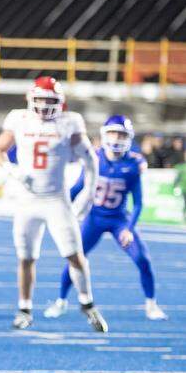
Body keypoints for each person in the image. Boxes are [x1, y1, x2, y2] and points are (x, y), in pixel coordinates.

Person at [0, 76, 106, 331]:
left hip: (56, 199)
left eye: (49, 100)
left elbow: (91, 161)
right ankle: (24, 308)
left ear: (60, 102)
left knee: (75, 256)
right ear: (30, 99)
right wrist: (13, 170)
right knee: (26, 257)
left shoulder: (70, 123)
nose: (43, 105)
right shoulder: (18, 119)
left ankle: (87, 303)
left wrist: (88, 193)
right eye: (39, 99)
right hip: (27, 200)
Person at [44, 116, 166, 321]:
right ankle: (61, 301)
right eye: (113, 133)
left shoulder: (134, 164)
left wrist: (129, 228)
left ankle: (151, 305)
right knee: (74, 259)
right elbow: (77, 188)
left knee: (143, 259)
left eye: (121, 134)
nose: (117, 138)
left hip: (119, 220)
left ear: (129, 137)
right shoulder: (94, 157)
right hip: (94, 218)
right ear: (104, 134)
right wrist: (64, 210)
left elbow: (137, 202)